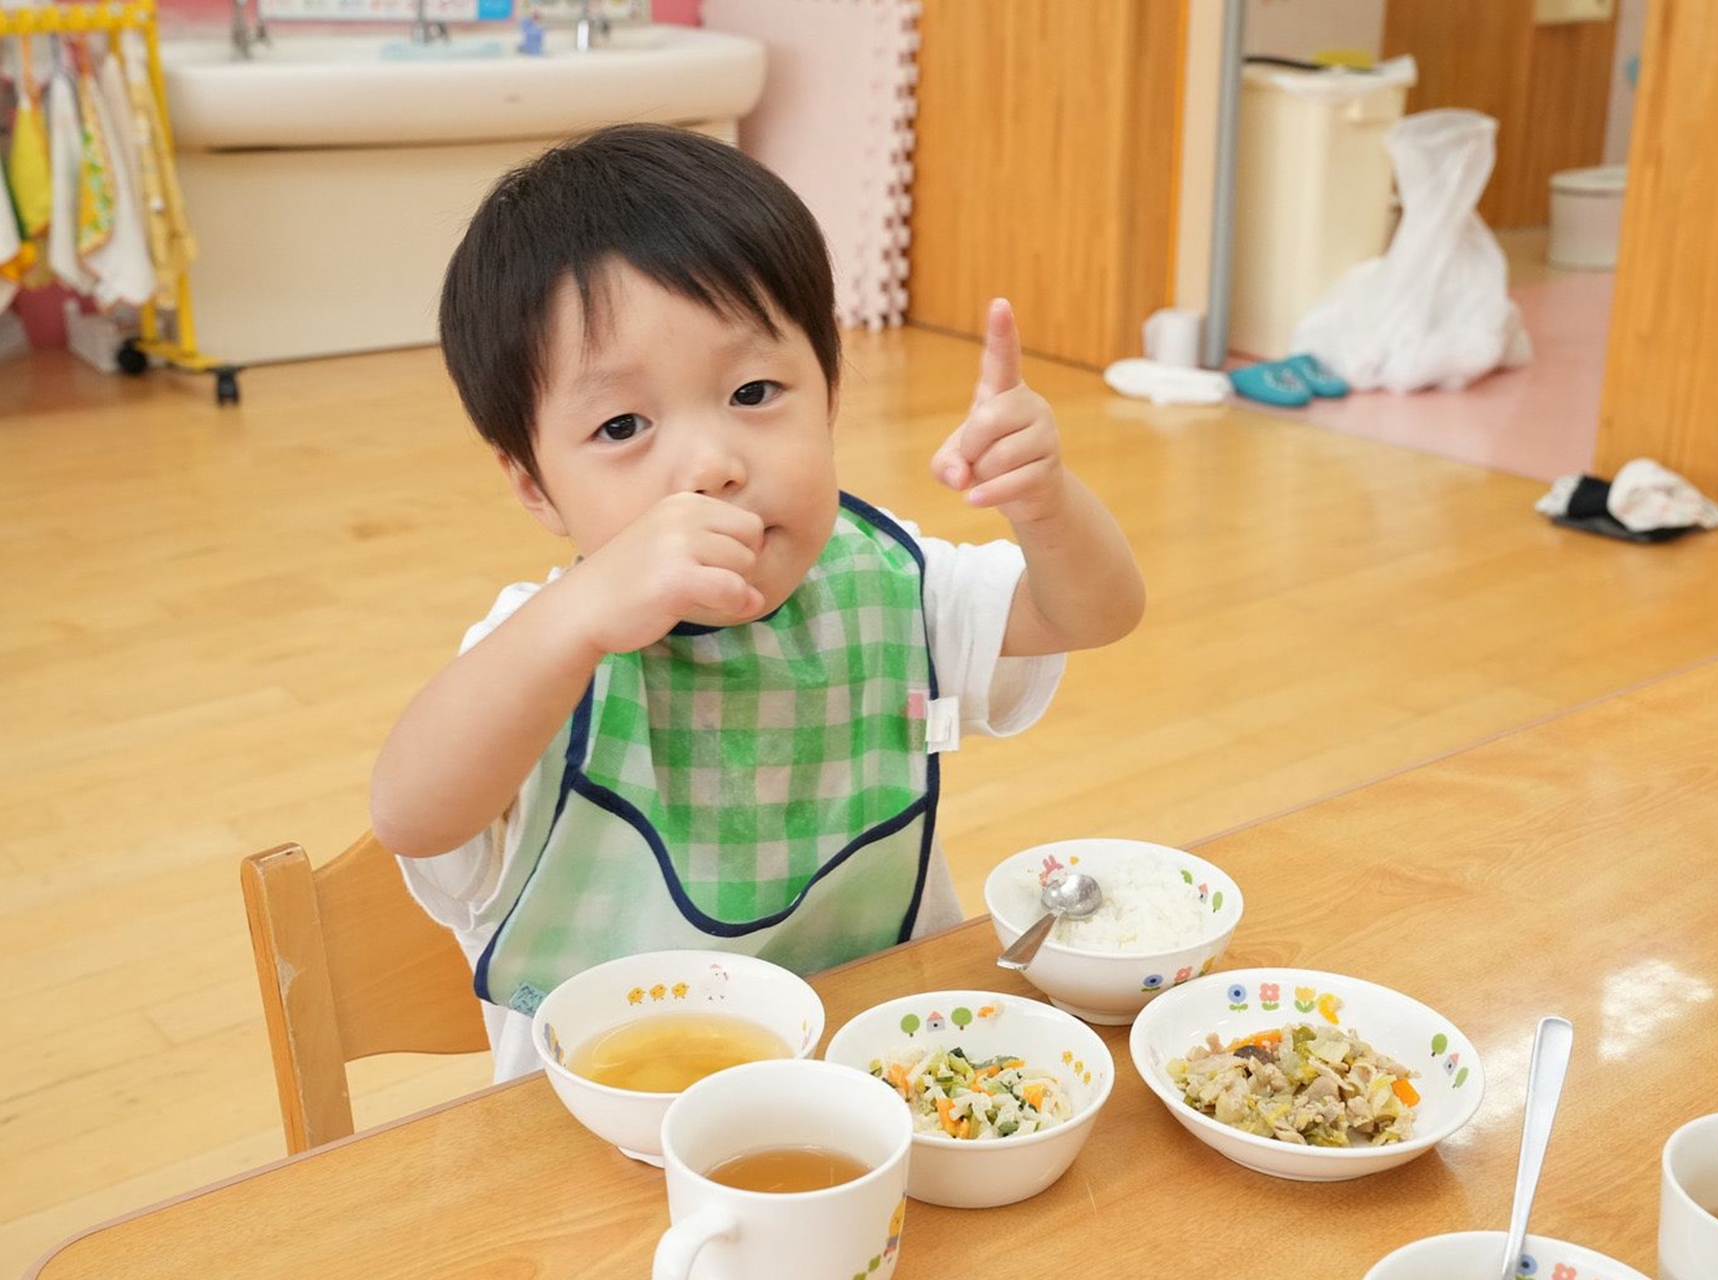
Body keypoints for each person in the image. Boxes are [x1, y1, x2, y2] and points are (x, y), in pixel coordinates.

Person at [370, 124, 1145, 1079]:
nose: (712, 464)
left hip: (880, 1095)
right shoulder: (541, 657)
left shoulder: (885, 587)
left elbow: (1091, 612)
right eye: (622, 425)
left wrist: (1047, 503)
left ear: (828, 396)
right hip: (613, 1139)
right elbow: (412, 816)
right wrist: (574, 622)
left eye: (754, 390)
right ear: (534, 484)